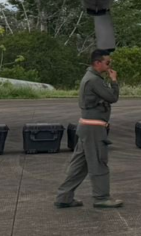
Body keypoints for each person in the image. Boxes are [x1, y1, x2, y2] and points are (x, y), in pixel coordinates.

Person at [55, 49, 123, 208]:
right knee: (99, 162)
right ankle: (101, 198)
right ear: (97, 63)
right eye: (107, 63)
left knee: (79, 165)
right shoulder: (94, 80)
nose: (109, 66)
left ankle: (64, 197)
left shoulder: (91, 78)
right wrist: (114, 81)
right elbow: (112, 97)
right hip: (94, 129)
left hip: (86, 127)